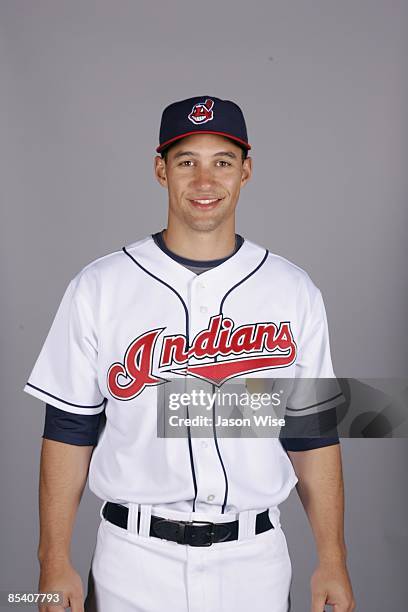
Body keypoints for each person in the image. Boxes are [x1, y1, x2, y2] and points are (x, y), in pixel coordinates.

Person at [24, 96, 355, 612]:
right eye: (187, 162)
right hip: (132, 558)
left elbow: (311, 431)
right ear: (161, 171)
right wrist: (52, 559)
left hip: (255, 561)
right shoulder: (101, 286)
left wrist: (333, 558)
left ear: (245, 172)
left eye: (222, 162)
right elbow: (69, 426)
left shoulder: (293, 290)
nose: (205, 181)